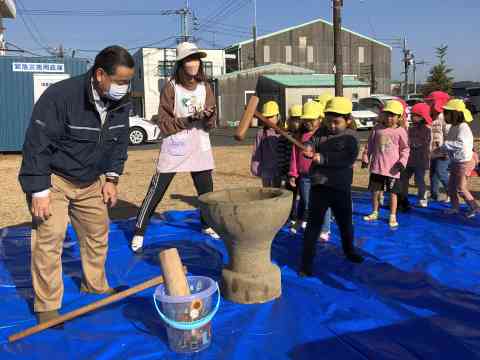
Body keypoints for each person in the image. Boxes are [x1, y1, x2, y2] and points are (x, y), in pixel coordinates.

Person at [18, 46, 135, 323]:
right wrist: (39, 190)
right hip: (55, 178)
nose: (125, 87)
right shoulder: (61, 97)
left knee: (98, 233)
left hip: (91, 179)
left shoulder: (120, 103)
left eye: (128, 81)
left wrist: (111, 178)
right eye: (120, 81)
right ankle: (47, 305)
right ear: (99, 75)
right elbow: (37, 145)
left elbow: (118, 142)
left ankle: (94, 285)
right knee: (50, 238)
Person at [131, 42, 218, 253]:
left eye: (197, 58)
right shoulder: (171, 87)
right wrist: (189, 119)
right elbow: (164, 122)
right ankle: (139, 230)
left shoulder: (206, 87)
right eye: (189, 59)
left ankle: (208, 224)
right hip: (176, 143)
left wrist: (207, 117)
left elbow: (212, 120)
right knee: (157, 189)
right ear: (181, 64)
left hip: (200, 143)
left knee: (206, 192)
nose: (194, 63)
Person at [300, 97, 364, 276]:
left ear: (348, 120)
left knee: (345, 224)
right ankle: (306, 262)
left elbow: (348, 158)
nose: (332, 126)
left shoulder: (350, 138)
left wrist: (324, 158)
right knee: (313, 226)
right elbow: (311, 142)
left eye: (337, 122)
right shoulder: (320, 131)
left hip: (340, 188)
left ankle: (349, 250)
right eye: (329, 121)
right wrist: (307, 147)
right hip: (319, 187)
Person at [363, 100, 410, 228]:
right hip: (377, 167)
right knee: (375, 191)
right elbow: (370, 145)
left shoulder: (400, 131)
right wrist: (366, 157)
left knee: (393, 193)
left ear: (399, 117)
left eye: (393, 115)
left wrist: (402, 162)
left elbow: (405, 149)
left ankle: (392, 215)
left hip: (393, 169)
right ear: (382, 114)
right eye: (387, 114)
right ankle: (374, 211)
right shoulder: (377, 129)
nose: (389, 118)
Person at [289, 101, 331, 240]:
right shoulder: (299, 135)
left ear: (320, 119)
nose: (308, 123)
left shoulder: (324, 135)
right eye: (305, 120)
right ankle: (304, 221)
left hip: (320, 175)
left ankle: (324, 229)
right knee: (306, 201)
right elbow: (294, 156)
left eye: (311, 120)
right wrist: (293, 173)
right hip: (304, 175)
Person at [436, 99, 479, 218]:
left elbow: (461, 144)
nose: (444, 116)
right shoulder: (453, 127)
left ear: (455, 114)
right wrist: (442, 150)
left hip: (464, 162)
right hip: (456, 161)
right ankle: (455, 207)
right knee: (451, 187)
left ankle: (475, 207)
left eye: (447, 113)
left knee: (461, 187)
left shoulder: (463, 127)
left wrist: (445, 146)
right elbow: (450, 143)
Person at [399, 103, 433, 210]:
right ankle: (403, 198)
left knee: (419, 180)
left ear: (422, 116)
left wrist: (408, 142)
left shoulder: (426, 130)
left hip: (420, 160)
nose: (412, 117)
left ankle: (422, 198)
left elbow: (419, 143)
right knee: (403, 178)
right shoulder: (411, 128)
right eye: (412, 115)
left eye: (415, 115)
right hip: (409, 159)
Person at [425, 91, 451, 202]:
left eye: (431, 102)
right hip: (434, 151)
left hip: (443, 151)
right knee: (433, 173)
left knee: (441, 172)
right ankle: (434, 194)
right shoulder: (431, 117)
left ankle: (452, 193)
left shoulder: (444, 117)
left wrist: (446, 150)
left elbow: (448, 134)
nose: (429, 105)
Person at [251, 100, 282, 187]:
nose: (268, 119)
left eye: (271, 116)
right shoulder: (261, 133)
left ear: (278, 116)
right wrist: (255, 166)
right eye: (266, 117)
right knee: (266, 191)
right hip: (266, 168)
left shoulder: (282, 133)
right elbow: (256, 151)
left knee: (277, 190)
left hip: (279, 168)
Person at [283, 104, 303, 230]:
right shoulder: (285, 135)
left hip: (302, 171)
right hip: (289, 170)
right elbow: (284, 153)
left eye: (298, 119)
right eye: (293, 119)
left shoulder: (305, 136)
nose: (296, 122)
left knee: (305, 196)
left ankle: (302, 217)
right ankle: (291, 216)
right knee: (291, 195)